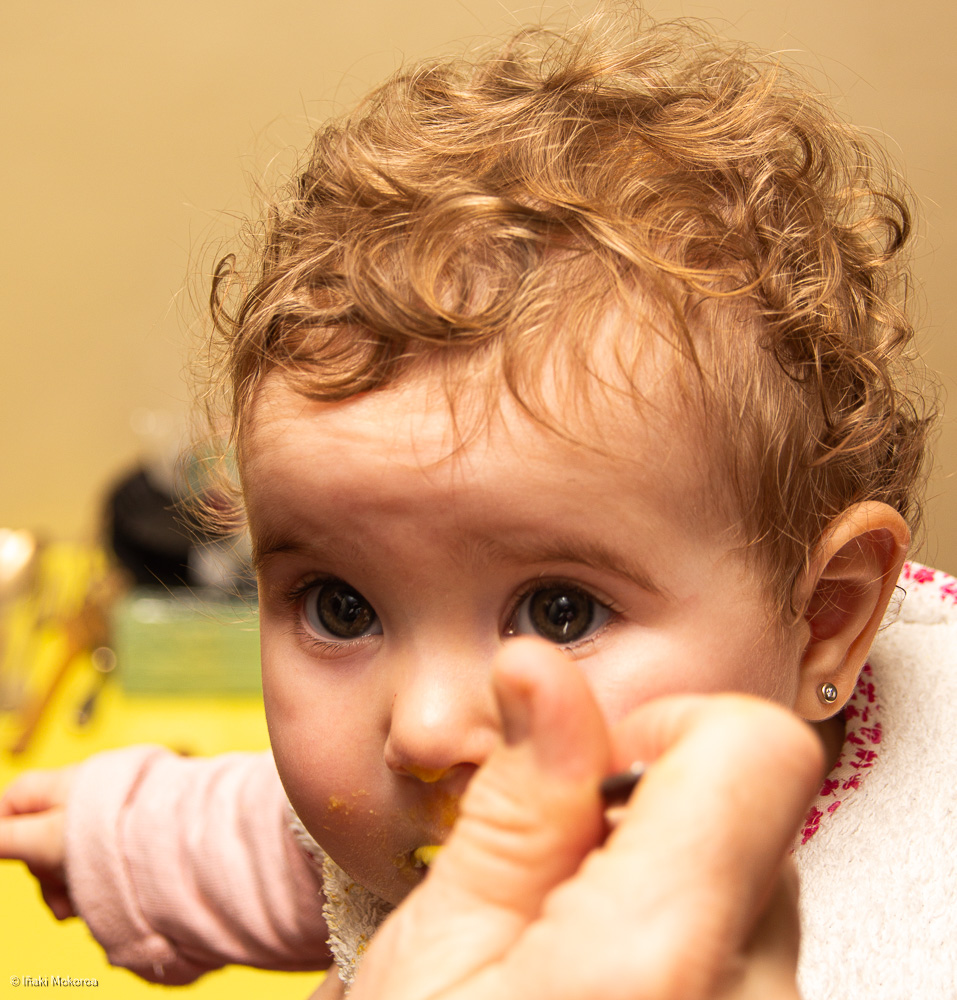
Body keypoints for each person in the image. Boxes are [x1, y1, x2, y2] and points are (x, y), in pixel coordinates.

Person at [2, 8, 954, 997]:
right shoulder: (412, 810)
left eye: (558, 612)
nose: (421, 729)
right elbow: (292, 850)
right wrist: (126, 834)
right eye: (341, 606)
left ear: (825, 619)